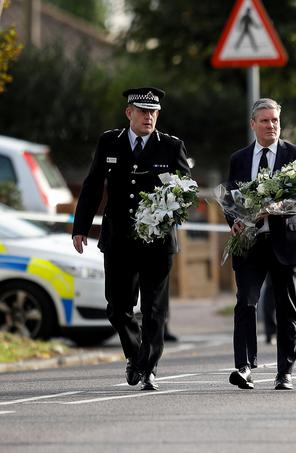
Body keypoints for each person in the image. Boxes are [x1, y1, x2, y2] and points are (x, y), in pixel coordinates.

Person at [72, 87, 191, 391]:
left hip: (157, 242)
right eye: (142, 111)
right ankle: (135, 354)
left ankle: (148, 368)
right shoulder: (109, 141)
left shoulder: (172, 146)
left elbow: (186, 192)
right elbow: (93, 185)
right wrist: (80, 227)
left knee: (154, 310)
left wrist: (168, 214)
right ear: (129, 113)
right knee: (117, 307)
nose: (148, 117)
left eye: (153, 112)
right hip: (119, 238)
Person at [225, 98, 296, 391]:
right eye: (265, 121)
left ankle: (284, 372)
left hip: (286, 240)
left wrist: (276, 207)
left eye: (275, 120)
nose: (271, 125)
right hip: (251, 243)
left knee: (286, 307)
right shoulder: (239, 158)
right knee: (245, 303)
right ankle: (244, 366)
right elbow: (230, 201)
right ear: (253, 124)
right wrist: (234, 220)